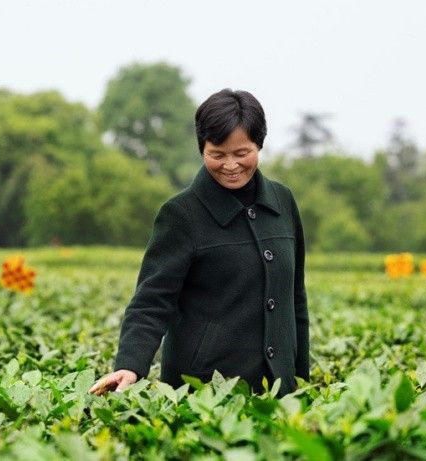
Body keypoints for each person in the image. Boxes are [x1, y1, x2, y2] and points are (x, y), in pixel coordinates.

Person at [89, 88, 308, 397]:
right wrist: (130, 364)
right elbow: (152, 300)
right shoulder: (181, 214)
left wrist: (299, 378)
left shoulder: (283, 202)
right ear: (202, 148)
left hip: (278, 390)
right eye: (217, 154)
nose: (230, 165)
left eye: (242, 153)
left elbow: (294, 299)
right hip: (203, 393)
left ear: (259, 145)